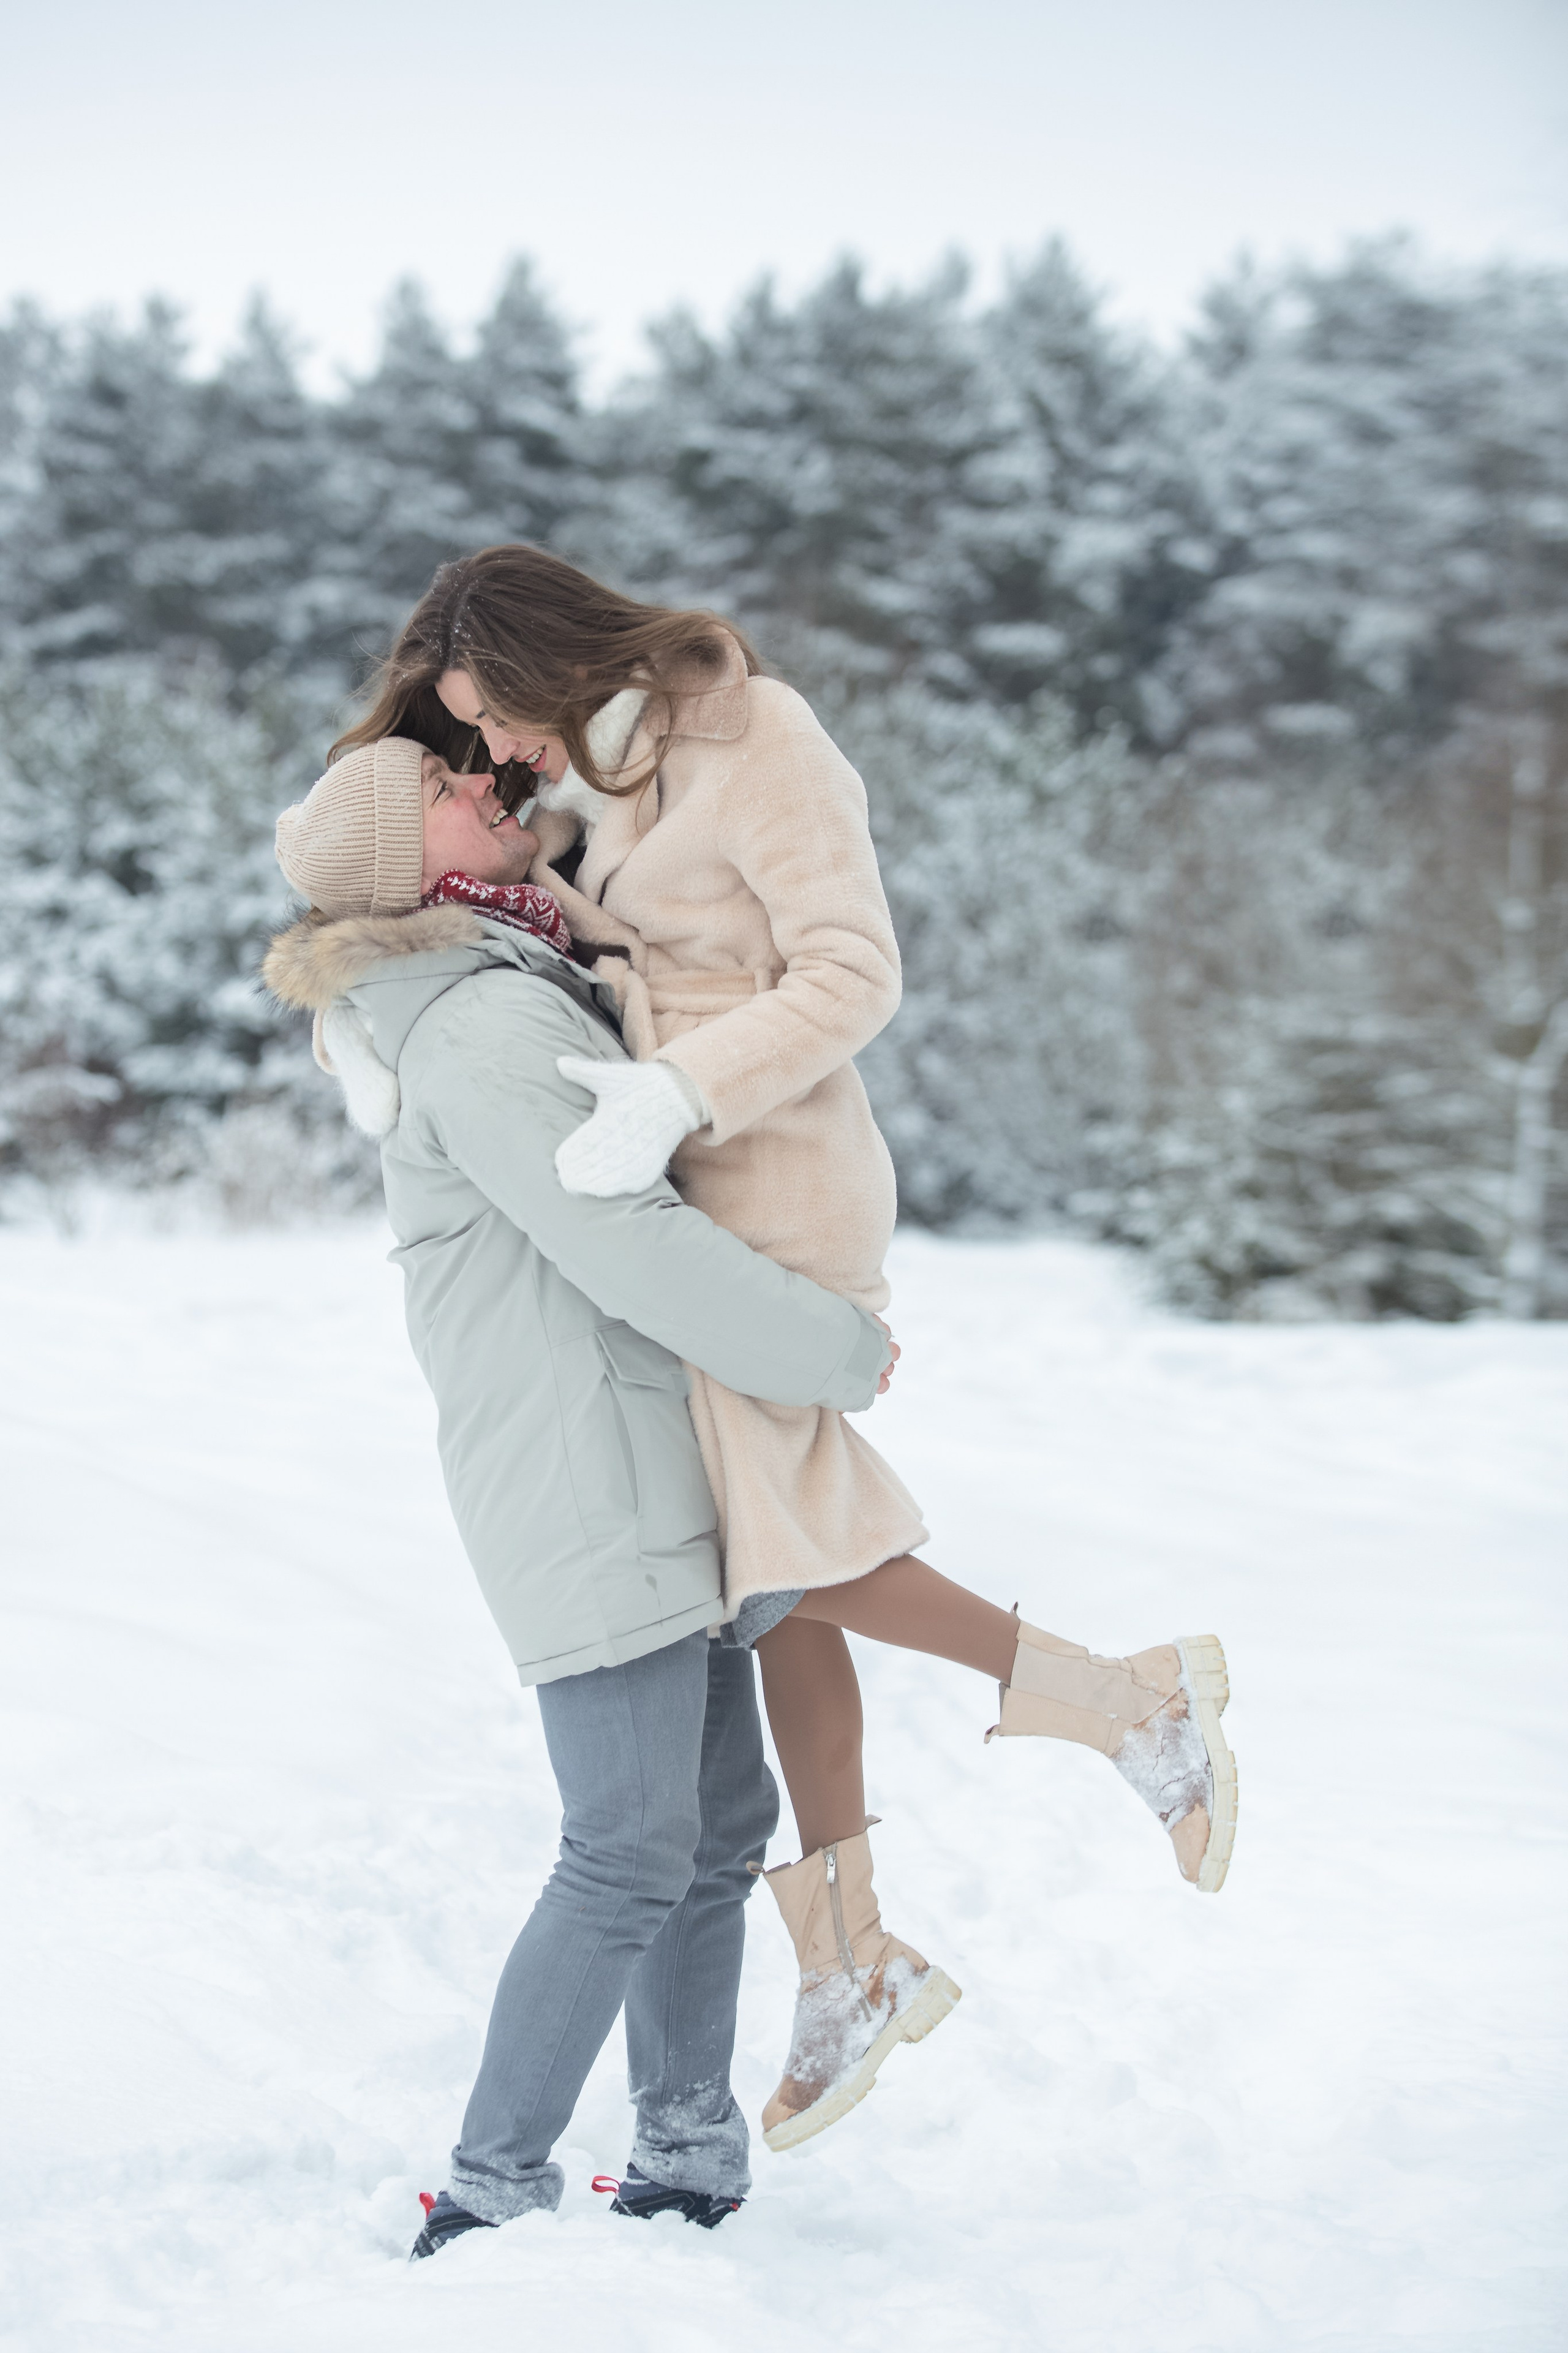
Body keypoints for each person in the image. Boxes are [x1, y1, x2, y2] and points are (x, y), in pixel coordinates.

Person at [331, 545, 1239, 2156]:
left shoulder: (758, 734)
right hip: (673, 1174)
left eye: (499, 723)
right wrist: (366, 981)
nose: (501, 762)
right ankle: (852, 1945)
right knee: (764, 1570)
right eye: (477, 744)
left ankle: (1118, 1712)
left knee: (777, 1568)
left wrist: (683, 1094)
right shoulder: (601, 771)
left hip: (765, 1171)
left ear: (549, 662)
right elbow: (546, 926)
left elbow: (852, 968)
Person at [263, 736, 898, 2254]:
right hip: (578, 1473)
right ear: (398, 860)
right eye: (442, 782)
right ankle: (490, 2189)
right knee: (624, 1835)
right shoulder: (477, 1018)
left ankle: (686, 2148)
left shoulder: (513, 965)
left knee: (713, 1817)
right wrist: (830, 1348)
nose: (483, 779)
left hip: (637, 1450)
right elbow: (625, 1238)